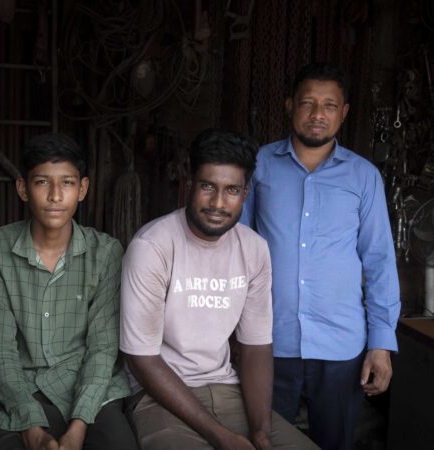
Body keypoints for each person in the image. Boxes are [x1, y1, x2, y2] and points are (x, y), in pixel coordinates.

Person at [120, 129, 318, 450]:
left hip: (227, 389)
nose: (218, 203)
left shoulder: (254, 249)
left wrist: (261, 432)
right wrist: (221, 437)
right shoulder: (152, 246)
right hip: (157, 396)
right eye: (208, 186)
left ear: (245, 193)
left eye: (232, 190)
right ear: (189, 183)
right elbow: (142, 359)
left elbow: (256, 347)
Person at [240, 63, 401, 450]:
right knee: (263, 441)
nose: (318, 114)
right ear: (289, 105)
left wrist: (381, 344)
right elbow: (235, 246)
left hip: (341, 344)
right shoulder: (259, 165)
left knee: (334, 442)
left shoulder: (363, 176)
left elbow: (379, 261)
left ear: (343, 112)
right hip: (268, 340)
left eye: (329, 105)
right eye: (308, 103)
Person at [0, 133, 137, 450]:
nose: (55, 196)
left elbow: (102, 349)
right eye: (42, 182)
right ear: (23, 188)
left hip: (92, 391)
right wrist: (31, 429)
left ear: (83, 189)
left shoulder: (106, 253)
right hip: (20, 388)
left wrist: (78, 428)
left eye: (67, 183)